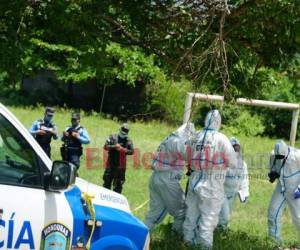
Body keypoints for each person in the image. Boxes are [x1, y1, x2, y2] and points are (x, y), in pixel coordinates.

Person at [183, 110, 237, 249]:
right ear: (218, 122)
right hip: (212, 182)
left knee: (191, 214)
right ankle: (204, 246)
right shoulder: (222, 138)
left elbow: (186, 155)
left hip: (194, 179)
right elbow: (233, 162)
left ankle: (187, 242)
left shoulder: (196, 136)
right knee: (208, 217)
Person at [144, 122, 196, 234]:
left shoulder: (169, 138)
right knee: (182, 211)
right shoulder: (177, 141)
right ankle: (175, 238)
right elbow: (188, 154)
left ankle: (141, 236)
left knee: (154, 214)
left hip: (156, 178)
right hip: (167, 180)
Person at [267, 140, 300, 243]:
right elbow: (273, 169)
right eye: (278, 157)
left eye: (282, 156)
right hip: (281, 188)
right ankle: (274, 241)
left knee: (298, 218)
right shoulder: (273, 155)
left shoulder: (297, 155)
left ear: (286, 152)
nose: (280, 159)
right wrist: (273, 174)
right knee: (272, 212)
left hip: (295, 190)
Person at [218, 137, 249, 230]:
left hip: (233, 193)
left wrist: (245, 192)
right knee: (225, 215)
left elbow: (245, 178)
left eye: (237, 147)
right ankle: (219, 230)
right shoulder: (222, 161)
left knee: (227, 214)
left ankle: (223, 231)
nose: (236, 150)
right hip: (222, 192)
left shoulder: (243, 163)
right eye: (233, 148)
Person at [102, 123, 134, 194]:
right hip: (110, 164)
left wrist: (122, 149)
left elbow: (132, 151)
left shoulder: (129, 140)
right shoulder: (112, 137)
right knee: (106, 184)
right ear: (120, 129)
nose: (123, 132)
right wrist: (114, 146)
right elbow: (105, 146)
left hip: (120, 167)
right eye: (122, 130)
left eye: (125, 131)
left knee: (118, 187)